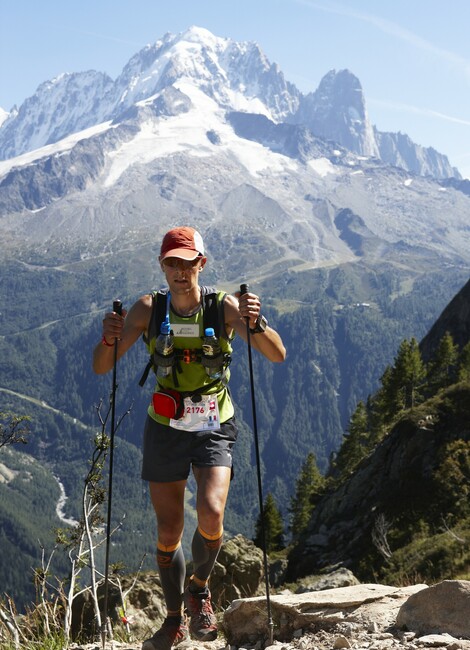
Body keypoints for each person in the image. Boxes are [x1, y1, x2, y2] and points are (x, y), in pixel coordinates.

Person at [93, 226, 286, 650]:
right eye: (171, 263)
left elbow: (276, 353)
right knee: (169, 529)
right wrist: (109, 335)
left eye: (188, 262)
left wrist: (256, 323)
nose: (181, 271)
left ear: (202, 262)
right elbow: (102, 366)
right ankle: (175, 617)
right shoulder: (148, 309)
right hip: (164, 425)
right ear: (163, 266)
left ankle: (199, 586)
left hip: (215, 421)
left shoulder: (224, 307)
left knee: (212, 512)